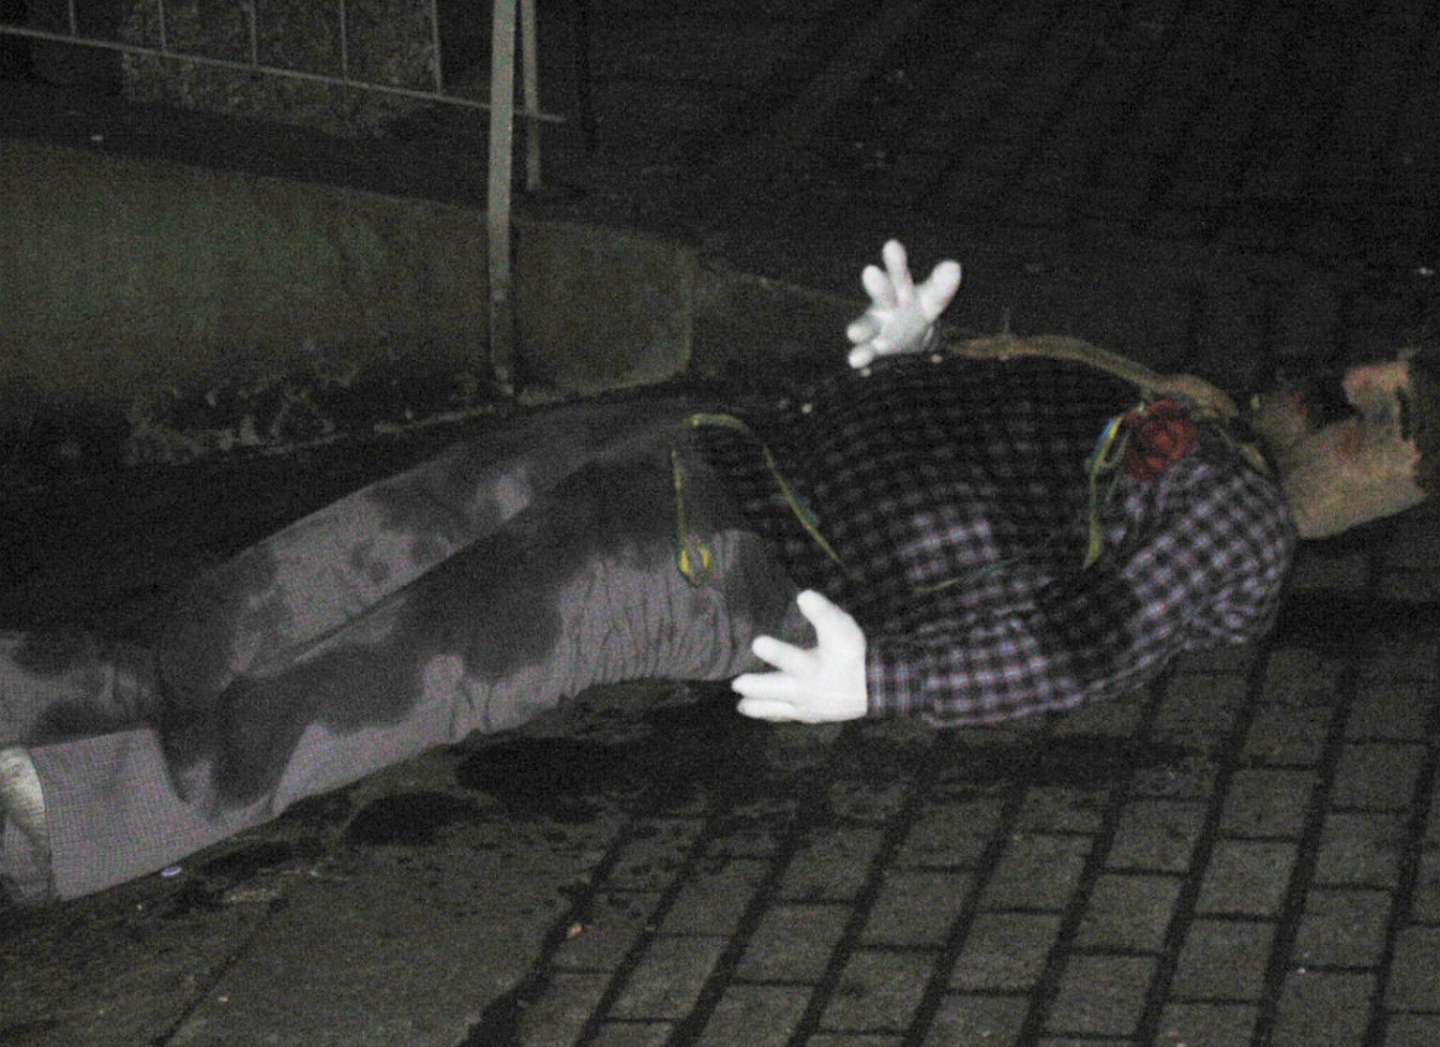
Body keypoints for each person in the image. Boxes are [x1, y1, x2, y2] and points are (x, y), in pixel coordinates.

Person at [1, 242, 1433, 903]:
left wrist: (888, 678)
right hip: (700, 441)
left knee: (368, 681)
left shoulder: (1242, 525)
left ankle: (50, 826)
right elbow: (1002, 475)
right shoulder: (1193, 411)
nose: (1363, 374)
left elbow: (1085, 641)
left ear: (1400, 480)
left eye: (1397, 403)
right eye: (1388, 360)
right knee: (302, 580)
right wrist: (916, 358)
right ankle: (43, 690)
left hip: (714, 558)